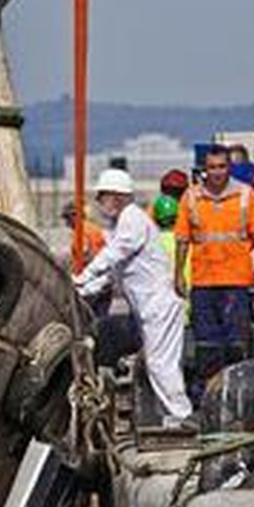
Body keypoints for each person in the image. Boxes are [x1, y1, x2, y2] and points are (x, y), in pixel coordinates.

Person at [73, 169, 192, 427]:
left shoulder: (132, 219)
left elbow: (116, 253)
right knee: (159, 363)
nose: (100, 204)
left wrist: (83, 276)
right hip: (151, 307)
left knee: (161, 364)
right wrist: (79, 290)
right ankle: (173, 419)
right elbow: (112, 275)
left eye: (102, 197)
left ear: (115, 197)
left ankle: (181, 418)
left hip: (158, 305)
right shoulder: (125, 223)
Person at [175, 144, 254, 390]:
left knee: (236, 345)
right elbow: (182, 240)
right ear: (204, 170)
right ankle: (207, 397)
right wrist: (178, 275)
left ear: (229, 168)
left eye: (221, 166)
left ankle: (237, 395)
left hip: (236, 283)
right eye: (212, 167)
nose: (217, 172)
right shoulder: (191, 197)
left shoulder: (245, 195)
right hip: (203, 282)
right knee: (206, 346)